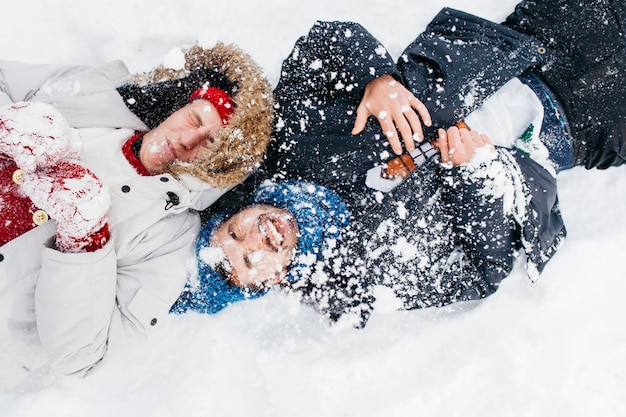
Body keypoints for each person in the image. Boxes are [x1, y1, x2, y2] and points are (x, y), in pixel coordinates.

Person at [172, 0, 625, 326]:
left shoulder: (292, 149)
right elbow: (481, 269)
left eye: (233, 231)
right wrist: (475, 171)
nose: (255, 238)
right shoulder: (366, 278)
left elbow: (324, 42)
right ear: (267, 284)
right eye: (250, 260)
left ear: (235, 211)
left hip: (527, 46)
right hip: (583, 128)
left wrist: (377, 78)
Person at [0, 42, 274, 386]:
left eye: (211, 145)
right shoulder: (99, 93)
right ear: (182, 103)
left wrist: (85, 239)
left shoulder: (171, 239)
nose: (189, 140)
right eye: (195, 119)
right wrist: (9, 123)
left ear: (218, 167)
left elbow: (82, 357)